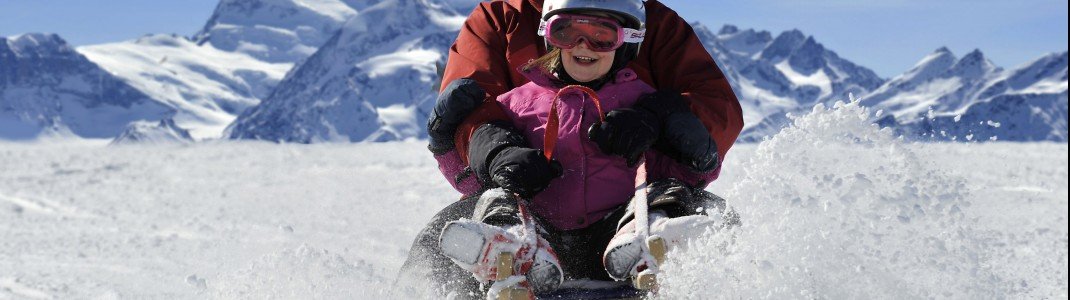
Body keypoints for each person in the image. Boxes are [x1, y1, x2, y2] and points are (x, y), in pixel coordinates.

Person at [399, 0, 743, 298]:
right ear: (550, 33)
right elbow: (470, 105)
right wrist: (496, 151)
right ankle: (510, 253)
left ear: (627, 39)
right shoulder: (502, 17)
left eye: (602, 36)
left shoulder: (651, 20)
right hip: (534, 209)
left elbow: (713, 107)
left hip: (623, 208)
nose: (585, 44)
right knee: (453, 228)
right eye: (567, 32)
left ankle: (658, 249)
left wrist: (662, 120)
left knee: (701, 210)